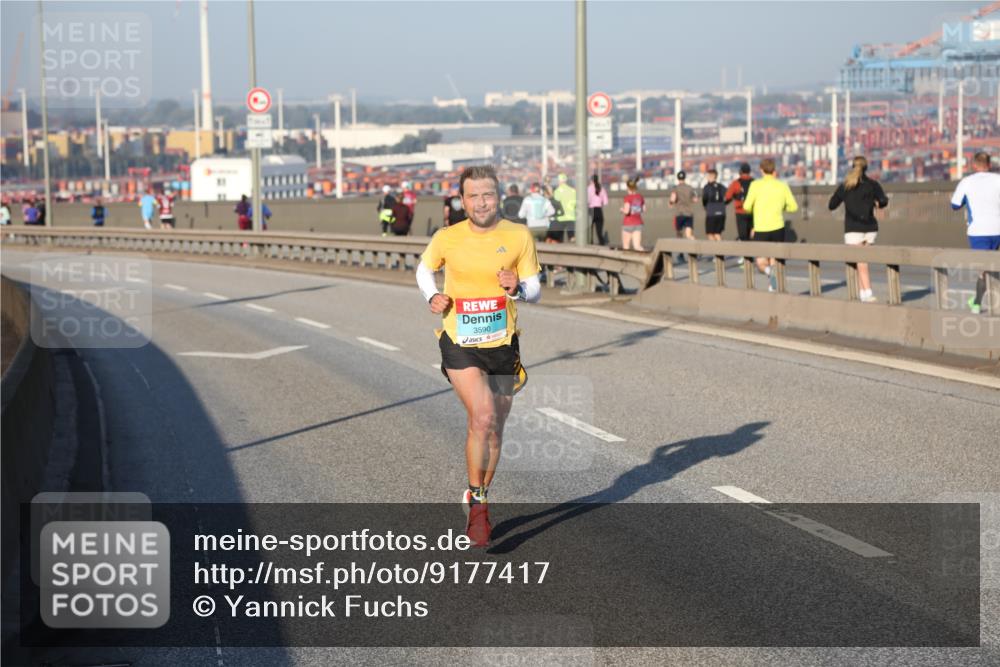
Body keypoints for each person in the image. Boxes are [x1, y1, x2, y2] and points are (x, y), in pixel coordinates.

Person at [415, 165, 541, 547]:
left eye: (487, 194)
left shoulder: (518, 235)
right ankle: (481, 508)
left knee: (496, 429)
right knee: (482, 416)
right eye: (473, 196)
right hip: (459, 340)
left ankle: (476, 493)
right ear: (463, 200)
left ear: (498, 195)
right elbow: (424, 269)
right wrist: (432, 296)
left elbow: (535, 289)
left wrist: (517, 287)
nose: (481, 202)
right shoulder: (447, 237)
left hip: (503, 345)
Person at [828, 156, 889, 303]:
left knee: (860, 262)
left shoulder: (846, 185)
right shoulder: (873, 184)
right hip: (870, 228)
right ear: (866, 168)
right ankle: (863, 293)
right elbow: (884, 200)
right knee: (861, 260)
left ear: (852, 167)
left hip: (853, 228)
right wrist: (876, 204)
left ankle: (868, 292)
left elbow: (831, 205)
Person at [950, 151, 1000, 314]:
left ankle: (977, 304)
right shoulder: (998, 179)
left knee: (984, 270)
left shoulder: (967, 182)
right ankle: (978, 301)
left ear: (973, 165)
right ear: (989, 165)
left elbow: (955, 205)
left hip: (978, 231)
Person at [742, 158, 799, 292]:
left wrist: (755, 208)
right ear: (774, 170)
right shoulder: (782, 185)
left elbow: (746, 206)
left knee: (761, 261)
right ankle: (772, 285)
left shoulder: (755, 185)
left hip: (761, 228)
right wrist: (781, 207)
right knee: (775, 260)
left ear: (761, 170)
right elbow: (793, 207)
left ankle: (768, 273)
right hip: (778, 227)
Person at [725, 162, 755, 264]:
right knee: (752, 234)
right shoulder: (755, 183)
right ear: (749, 172)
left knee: (743, 235)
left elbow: (728, 197)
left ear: (740, 172)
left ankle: (745, 256)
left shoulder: (736, 183)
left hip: (740, 212)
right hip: (752, 211)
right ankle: (751, 254)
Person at [668, 170, 697, 241]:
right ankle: (695, 247)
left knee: (679, 234)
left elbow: (673, 199)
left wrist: (670, 203)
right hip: (689, 213)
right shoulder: (690, 188)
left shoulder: (676, 188)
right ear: (685, 177)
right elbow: (695, 200)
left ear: (677, 178)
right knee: (689, 235)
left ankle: (680, 251)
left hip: (679, 214)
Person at [702, 169, 727, 241]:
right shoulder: (721, 187)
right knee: (717, 233)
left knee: (710, 233)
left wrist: (705, 206)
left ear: (712, 176)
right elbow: (728, 196)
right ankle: (721, 250)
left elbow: (704, 198)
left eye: (708, 176)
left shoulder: (707, 187)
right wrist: (724, 204)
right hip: (722, 213)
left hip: (711, 213)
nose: (707, 177)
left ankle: (716, 250)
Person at [620, 178, 645, 251]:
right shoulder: (640, 197)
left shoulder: (627, 198)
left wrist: (622, 210)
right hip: (638, 223)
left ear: (628, 188)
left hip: (628, 224)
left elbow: (627, 211)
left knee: (626, 246)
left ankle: (626, 262)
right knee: (637, 246)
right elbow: (644, 209)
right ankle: (645, 258)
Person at [552, 173, 576, 242]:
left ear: (559, 181)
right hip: (571, 216)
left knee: (559, 238)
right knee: (571, 236)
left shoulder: (557, 191)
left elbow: (555, 204)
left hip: (560, 217)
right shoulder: (573, 191)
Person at [587, 174, 609, 245]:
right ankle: (601, 242)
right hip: (599, 210)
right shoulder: (601, 188)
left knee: (589, 228)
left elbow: (587, 200)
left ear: (591, 180)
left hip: (591, 209)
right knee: (599, 230)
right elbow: (605, 202)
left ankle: (590, 242)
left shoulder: (589, 188)